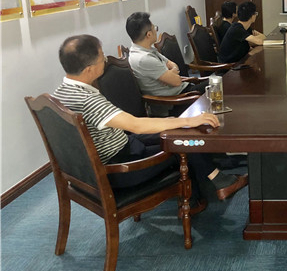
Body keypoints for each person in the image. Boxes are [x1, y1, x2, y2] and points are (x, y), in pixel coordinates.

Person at [52, 35, 248, 206]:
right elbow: (136, 125)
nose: (104, 60)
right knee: (183, 141)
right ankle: (212, 188)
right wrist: (187, 121)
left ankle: (209, 182)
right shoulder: (88, 100)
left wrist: (177, 122)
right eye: (101, 57)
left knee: (177, 132)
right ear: (89, 69)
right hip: (121, 167)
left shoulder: (58, 95)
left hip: (115, 151)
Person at [126, 12, 209, 117]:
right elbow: (177, 81)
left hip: (181, 91)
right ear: (149, 34)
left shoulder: (146, 49)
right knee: (217, 85)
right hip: (174, 103)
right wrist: (171, 73)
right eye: (154, 28)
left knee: (217, 82)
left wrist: (170, 72)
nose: (156, 30)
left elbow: (172, 64)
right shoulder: (143, 58)